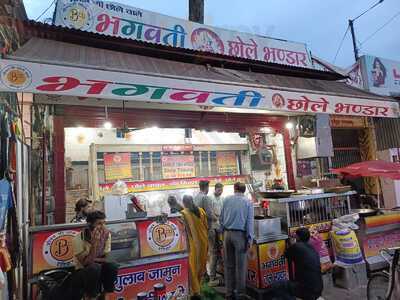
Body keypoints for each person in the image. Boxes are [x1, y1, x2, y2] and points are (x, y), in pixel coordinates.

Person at [61, 210, 118, 300]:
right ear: (90, 225)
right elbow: (85, 264)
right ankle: (91, 296)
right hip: (81, 272)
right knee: (94, 268)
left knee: (113, 265)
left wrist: (93, 258)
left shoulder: (107, 235)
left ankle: (106, 295)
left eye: (104, 223)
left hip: (98, 267)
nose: (102, 227)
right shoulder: (78, 238)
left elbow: (107, 258)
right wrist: (94, 244)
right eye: (99, 224)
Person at [219, 182, 254, 300]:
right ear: (244, 190)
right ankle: (240, 294)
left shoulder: (226, 199)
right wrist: (250, 238)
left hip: (227, 235)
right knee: (241, 266)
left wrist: (222, 233)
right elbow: (249, 222)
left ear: (234, 189)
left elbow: (221, 218)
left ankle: (229, 293)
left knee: (229, 265)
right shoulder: (248, 202)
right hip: (240, 235)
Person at [269, 227, 323, 300]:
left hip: (307, 290)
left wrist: (291, 244)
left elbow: (286, 254)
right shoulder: (311, 247)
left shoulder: (297, 246)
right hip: (318, 289)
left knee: (275, 286)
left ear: (298, 237)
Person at [180, 195, 208, 299]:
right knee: (201, 265)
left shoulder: (183, 214)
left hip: (192, 245)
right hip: (203, 241)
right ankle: (198, 287)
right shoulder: (201, 210)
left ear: (184, 203)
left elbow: (183, 230)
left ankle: (195, 292)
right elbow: (206, 225)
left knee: (192, 267)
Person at [208, 182, 224, 285]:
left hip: (220, 227)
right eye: (219, 190)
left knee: (221, 251)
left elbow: (223, 211)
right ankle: (212, 276)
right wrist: (217, 217)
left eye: (222, 190)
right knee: (214, 252)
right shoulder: (210, 198)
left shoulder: (222, 199)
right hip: (212, 227)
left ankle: (220, 272)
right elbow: (210, 212)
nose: (221, 192)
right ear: (215, 189)